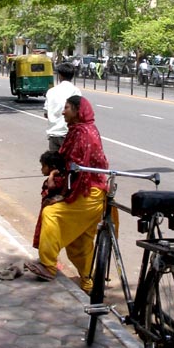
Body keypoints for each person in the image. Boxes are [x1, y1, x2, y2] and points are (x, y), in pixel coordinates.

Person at [26, 95, 108, 293]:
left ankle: (48, 265)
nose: (63, 112)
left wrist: (59, 187)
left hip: (88, 193)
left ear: (78, 111)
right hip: (90, 193)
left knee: (51, 214)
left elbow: (77, 170)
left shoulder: (83, 134)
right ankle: (89, 284)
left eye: (67, 108)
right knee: (79, 241)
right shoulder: (79, 131)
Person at [32, 151, 67, 249]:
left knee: (46, 232)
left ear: (52, 167)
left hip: (49, 209)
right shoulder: (58, 177)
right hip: (44, 207)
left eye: (43, 166)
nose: (41, 169)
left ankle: (46, 253)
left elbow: (51, 187)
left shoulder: (57, 179)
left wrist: (51, 175)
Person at [43, 61, 81, 152]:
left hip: (53, 134)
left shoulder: (51, 91)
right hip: (68, 134)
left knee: (54, 160)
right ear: (72, 76)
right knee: (69, 160)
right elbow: (79, 112)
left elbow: (46, 114)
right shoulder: (75, 91)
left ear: (59, 75)